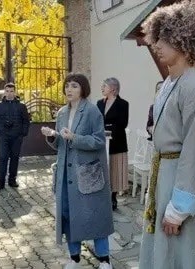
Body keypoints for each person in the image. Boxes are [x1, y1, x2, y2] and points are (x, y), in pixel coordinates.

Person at [138, 1, 195, 268]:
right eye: (157, 37)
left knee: (188, 254)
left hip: (183, 186)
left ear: (185, 39)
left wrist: (180, 208)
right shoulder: (170, 83)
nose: (157, 44)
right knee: (166, 255)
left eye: (165, 38)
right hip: (165, 177)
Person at [41, 73, 114, 269]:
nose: (69, 89)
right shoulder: (62, 113)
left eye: (74, 86)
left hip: (88, 174)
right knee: (68, 215)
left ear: (83, 89)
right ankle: (74, 258)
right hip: (66, 174)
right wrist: (52, 136)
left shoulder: (92, 112)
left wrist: (75, 137)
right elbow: (61, 145)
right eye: (67, 86)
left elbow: (99, 141)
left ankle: (105, 259)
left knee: (96, 216)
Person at [97, 77, 129, 210]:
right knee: (103, 169)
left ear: (113, 88)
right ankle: (102, 195)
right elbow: (96, 120)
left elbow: (122, 123)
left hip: (117, 142)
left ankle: (113, 197)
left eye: (104, 86)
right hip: (100, 142)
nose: (102, 88)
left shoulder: (123, 104)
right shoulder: (99, 103)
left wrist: (107, 129)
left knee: (115, 170)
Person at [0, 82, 30, 191]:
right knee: (3, 158)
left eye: (11, 91)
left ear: (15, 92)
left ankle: (12, 180)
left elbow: (26, 121)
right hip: (3, 137)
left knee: (14, 158)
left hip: (16, 137)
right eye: (7, 91)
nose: (9, 93)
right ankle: (0, 183)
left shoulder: (21, 106)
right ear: (4, 92)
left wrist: (23, 133)